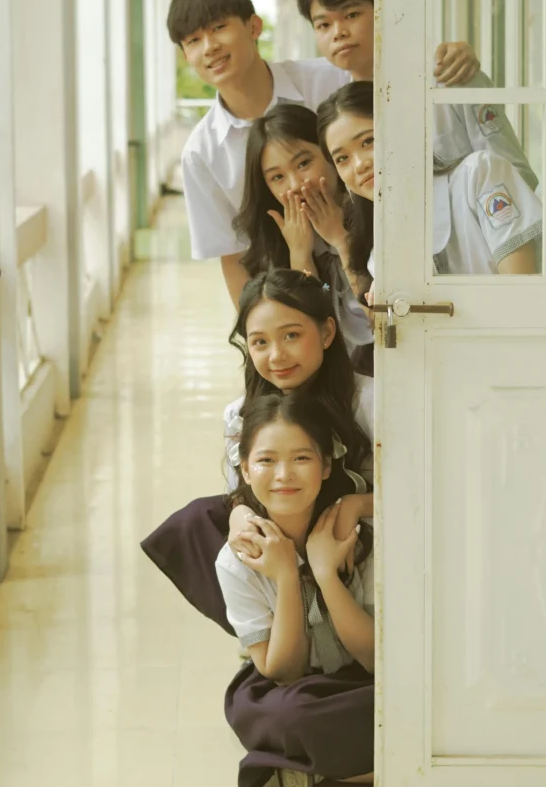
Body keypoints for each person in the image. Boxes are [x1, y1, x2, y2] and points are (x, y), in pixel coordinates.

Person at [169, 0, 479, 304]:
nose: (209, 47)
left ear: (254, 26)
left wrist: (450, 58)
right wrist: (256, 338)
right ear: (185, 54)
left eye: (219, 27)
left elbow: (401, 84)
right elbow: (232, 256)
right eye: (193, 40)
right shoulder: (200, 154)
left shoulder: (333, 77)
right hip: (297, 289)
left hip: (389, 256)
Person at [140, 269, 374, 630]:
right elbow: (243, 488)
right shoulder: (239, 414)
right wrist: (239, 516)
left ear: (327, 332)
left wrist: (356, 504)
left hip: (352, 533)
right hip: (285, 528)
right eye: (260, 342)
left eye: (292, 336)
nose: (277, 355)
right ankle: (263, 630)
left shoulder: (372, 402)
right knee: (196, 521)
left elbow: (415, 492)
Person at [217, 393, 375, 787]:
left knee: (407, 702)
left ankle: (316, 768)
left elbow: (378, 659)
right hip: (294, 688)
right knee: (289, 717)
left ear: (325, 466)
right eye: (266, 461)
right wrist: (287, 575)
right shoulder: (237, 559)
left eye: (301, 459)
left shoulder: (355, 532)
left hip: (364, 679)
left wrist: (325, 574)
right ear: (246, 472)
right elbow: (283, 671)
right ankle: (363, 763)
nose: (284, 474)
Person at [297, 0, 537, 191]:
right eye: (323, 25)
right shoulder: (338, 108)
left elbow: (516, 175)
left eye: (351, 15)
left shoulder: (449, 75)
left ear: (384, 11)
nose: (338, 33)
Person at [318, 81, 545, 277]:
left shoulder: (480, 174)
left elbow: (521, 292)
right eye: (342, 159)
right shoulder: (380, 256)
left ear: (403, 132)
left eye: (368, 142)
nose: (359, 164)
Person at [233, 102, 373, 363]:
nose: (296, 185)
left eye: (304, 163)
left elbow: (381, 318)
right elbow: (303, 339)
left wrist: (341, 241)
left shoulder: (375, 208)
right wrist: (300, 255)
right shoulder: (275, 242)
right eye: (277, 178)